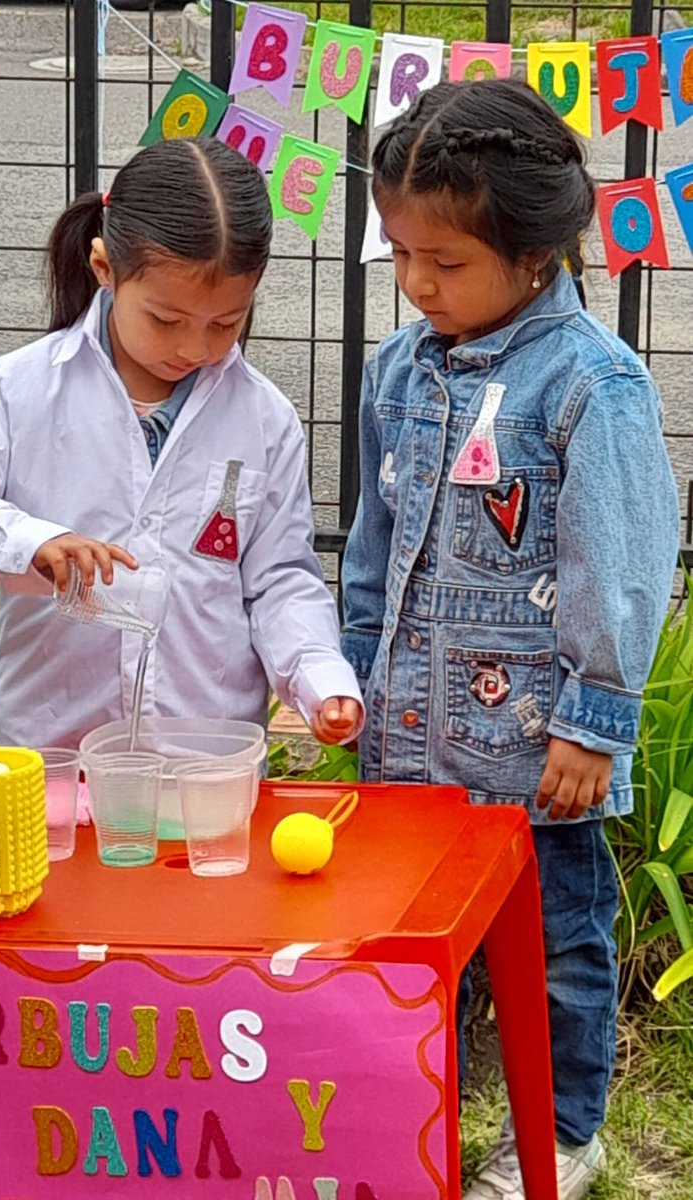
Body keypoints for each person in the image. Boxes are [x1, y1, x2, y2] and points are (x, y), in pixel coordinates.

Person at [341, 79, 679, 1200]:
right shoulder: (398, 372)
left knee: (557, 957)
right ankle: (409, 1112)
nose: (416, 284)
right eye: (400, 254)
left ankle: (564, 1134)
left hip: (537, 763)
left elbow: (620, 567)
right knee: (407, 950)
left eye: (445, 263)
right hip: (407, 747)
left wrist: (593, 721)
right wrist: (353, 675)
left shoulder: (592, 385)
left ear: (533, 252)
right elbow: (372, 551)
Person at [0, 137, 363, 753]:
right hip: (55, 761)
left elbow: (279, 579)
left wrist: (318, 676)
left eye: (226, 323)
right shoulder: (21, 391)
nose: (196, 348)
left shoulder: (263, 418)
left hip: (203, 765)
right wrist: (32, 543)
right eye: (166, 320)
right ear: (104, 269)